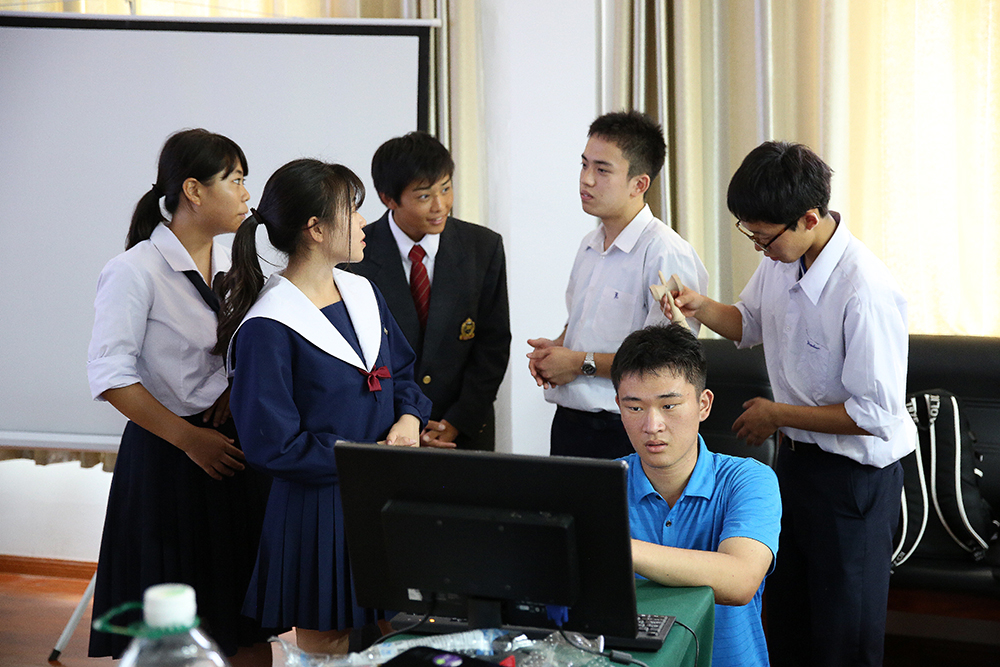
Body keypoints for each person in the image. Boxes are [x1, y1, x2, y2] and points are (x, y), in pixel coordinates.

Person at [664, 141, 916, 666]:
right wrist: (698, 305)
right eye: (750, 235)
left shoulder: (864, 290)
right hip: (796, 466)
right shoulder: (784, 257)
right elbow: (749, 323)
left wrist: (777, 414)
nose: (760, 248)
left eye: (764, 237)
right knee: (787, 622)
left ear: (809, 218)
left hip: (855, 482)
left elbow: (874, 415)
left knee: (844, 638)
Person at [216, 158, 432, 655]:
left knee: (403, 638)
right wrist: (360, 457)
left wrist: (408, 418)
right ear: (315, 229)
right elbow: (273, 444)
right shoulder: (268, 325)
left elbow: (401, 372)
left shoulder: (363, 292)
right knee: (325, 648)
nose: (363, 222)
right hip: (318, 508)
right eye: (352, 212)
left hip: (383, 493)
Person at [86, 129, 273, 665]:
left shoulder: (237, 264)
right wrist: (191, 440)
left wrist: (237, 388)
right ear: (193, 190)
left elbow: (251, 348)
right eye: (235, 180)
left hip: (234, 456)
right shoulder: (135, 269)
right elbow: (110, 376)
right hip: (169, 458)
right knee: (174, 633)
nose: (247, 194)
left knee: (245, 629)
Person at [527, 110, 708, 459]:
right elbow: (582, 323)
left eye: (602, 170)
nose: (586, 180)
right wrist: (556, 349)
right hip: (570, 422)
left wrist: (578, 362)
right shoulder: (589, 244)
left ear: (639, 184)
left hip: (626, 428)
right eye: (584, 165)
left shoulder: (665, 252)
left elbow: (665, 361)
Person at [611, 323, 780, 667]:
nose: (652, 426)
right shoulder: (605, 484)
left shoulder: (748, 479)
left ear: (703, 405)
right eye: (635, 408)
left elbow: (740, 579)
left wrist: (613, 546)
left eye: (669, 406)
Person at [351, 131, 510, 450]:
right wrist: (405, 421)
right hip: (387, 432)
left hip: (462, 431)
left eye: (446, 189)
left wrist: (457, 421)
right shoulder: (355, 255)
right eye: (424, 196)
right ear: (388, 198)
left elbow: (493, 344)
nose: (440, 206)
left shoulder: (482, 247)